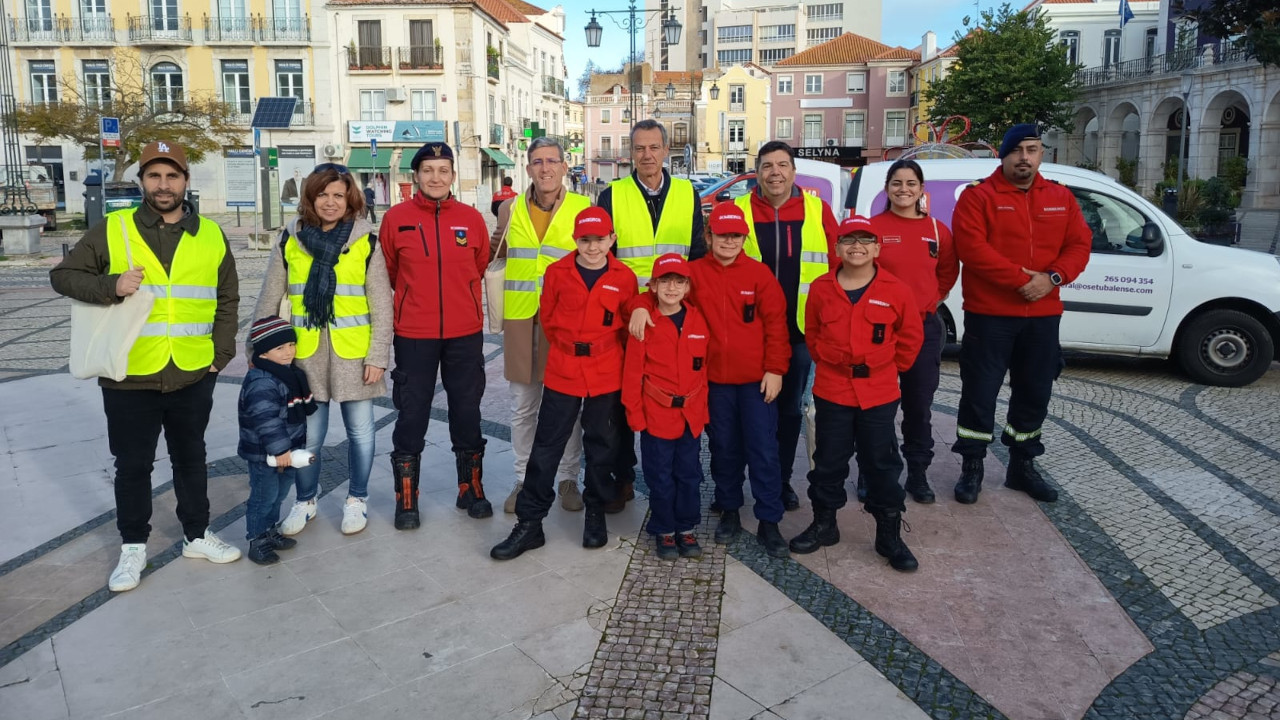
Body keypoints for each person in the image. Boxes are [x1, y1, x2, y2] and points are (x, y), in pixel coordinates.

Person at [50, 140, 242, 592]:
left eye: (171, 176)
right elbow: (62, 276)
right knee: (133, 465)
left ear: (185, 182)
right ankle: (133, 546)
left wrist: (221, 352)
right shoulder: (113, 229)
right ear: (142, 182)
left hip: (193, 371)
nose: (163, 185)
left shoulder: (210, 234)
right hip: (129, 373)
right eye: (154, 176)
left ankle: (196, 534)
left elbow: (227, 297)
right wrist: (111, 285)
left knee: (191, 458)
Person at [628, 203, 792, 558]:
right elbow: (661, 288)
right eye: (722, 234)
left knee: (763, 450)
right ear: (709, 236)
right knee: (724, 449)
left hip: (756, 382)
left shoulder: (760, 275)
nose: (729, 241)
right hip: (713, 382)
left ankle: (769, 519)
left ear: (744, 238)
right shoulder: (696, 273)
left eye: (736, 235)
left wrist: (776, 369)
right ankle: (729, 510)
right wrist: (640, 304)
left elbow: (777, 326)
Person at [949, 123, 1091, 504]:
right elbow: (972, 249)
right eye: (1017, 150)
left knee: (1034, 393)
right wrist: (1021, 281)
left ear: (1042, 153)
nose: (1025, 157)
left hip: (1043, 316)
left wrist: (1052, 279)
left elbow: (1080, 244)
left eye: (1032, 149)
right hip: (990, 314)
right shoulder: (979, 197)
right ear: (1003, 154)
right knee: (979, 393)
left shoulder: (1060, 197)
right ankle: (972, 466)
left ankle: (1021, 466)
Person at [253, 162, 392, 537]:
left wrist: (378, 355)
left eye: (338, 195)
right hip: (304, 355)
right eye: (322, 194)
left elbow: (381, 303)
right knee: (310, 435)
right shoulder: (291, 238)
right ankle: (306, 501)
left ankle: (356, 500)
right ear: (310, 198)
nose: (330, 202)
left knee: (361, 432)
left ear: (350, 200)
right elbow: (270, 295)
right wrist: (261, 350)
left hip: (356, 353)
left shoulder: (365, 240)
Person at [490, 207, 636, 560]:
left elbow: (627, 322)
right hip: (564, 368)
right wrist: (573, 347)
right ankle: (530, 523)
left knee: (601, 445)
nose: (592, 247)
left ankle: (596, 513)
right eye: (585, 240)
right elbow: (550, 320)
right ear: (575, 241)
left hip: (606, 369)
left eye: (599, 240)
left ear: (611, 240)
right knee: (546, 446)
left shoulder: (624, 277)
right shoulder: (557, 273)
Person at [789, 216, 923, 571]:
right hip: (833, 388)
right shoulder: (821, 288)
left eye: (865, 240)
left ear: (877, 248)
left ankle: (889, 534)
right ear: (837, 248)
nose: (857, 246)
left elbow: (910, 339)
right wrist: (835, 365)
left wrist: (886, 370)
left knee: (881, 464)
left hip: (877, 392)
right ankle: (824, 523)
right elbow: (813, 334)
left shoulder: (896, 290)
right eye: (849, 240)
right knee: (828, 461)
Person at [596, 119, 707, 512]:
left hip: (673, 312)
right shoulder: (613, 195)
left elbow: (696, 253)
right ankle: (624, 477)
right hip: (629, 315)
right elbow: (605, 259)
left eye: (654, 147)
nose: (647, 155)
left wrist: (680, 304)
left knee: (669, 391)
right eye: (640, 148)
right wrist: (639, 304)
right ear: (631, 152)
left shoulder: (686, 192)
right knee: (623, 398)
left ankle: (681, 470)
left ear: (665, 150)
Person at [381, 141, 492, 529]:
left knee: (467, 410)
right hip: (414, 333)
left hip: (464, 332)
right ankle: (407, 498)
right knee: (412, 413)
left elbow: (478, 266)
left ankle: (471, 487)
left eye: (443, 170)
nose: (436, 177)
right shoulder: (396, 219)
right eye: (428, 170)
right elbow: (391, 272)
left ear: (453, 176)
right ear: (416, 176)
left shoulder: (472, 218)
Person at [734, 141, 840, 512]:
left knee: (789, 411)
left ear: (794, 171)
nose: (774, 172)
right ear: (758, 172)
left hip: (799, 332)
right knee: (745, 411)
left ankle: (778, 482)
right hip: (749, 331)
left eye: (782, 165)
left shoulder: (817, 210)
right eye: (767, 166)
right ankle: (735, 482)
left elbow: (838, 267)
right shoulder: (740, 210)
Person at [491, 137, 592, 514]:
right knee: (522, 406)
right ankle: (523, 479)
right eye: (537, 161)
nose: (545, 168)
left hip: (566, 322)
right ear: (528, 167)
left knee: (567, 407)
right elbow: (495, 253)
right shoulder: (510, 209)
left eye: (552, 161)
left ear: (565, 167)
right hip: (520, 318)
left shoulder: (584, 209)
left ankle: (568, 478)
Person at [863, 159, 959, 504]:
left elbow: (947, 271)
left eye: (911, 184)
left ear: (921, 190)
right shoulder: (873, 228)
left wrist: (931, 299)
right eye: (896, 183)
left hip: (922, 329)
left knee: (919, 406)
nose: (903, 189)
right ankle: (872, 471)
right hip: (878, 330)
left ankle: (917, 473)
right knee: (877, 406)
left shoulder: (937, 230)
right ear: (887, 188)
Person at [622, 254, 710, 560]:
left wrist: (703, 410)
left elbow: (703, 369)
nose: (672, 288)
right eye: (665, 281)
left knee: (689, 473)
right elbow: (633, 373)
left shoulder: (698, 320)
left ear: (687, 287)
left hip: (691, 416)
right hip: (656, 415)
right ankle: (664, 529)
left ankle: (685, 526)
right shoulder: (645, 321)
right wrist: (634, 413)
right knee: (659, 474)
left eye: (679, 281)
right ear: (653, 285)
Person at [237, 317, 314, 565]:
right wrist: (280, 449)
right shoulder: (262, 380)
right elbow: (265, 419)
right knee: (264, 496)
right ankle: (257, 540)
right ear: (263, 352)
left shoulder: (289, 374)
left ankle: (270, 531)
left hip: (287, 451)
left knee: (279, 494)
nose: (288, 351)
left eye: (291, 344)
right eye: (279, 348)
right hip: (266, 454)